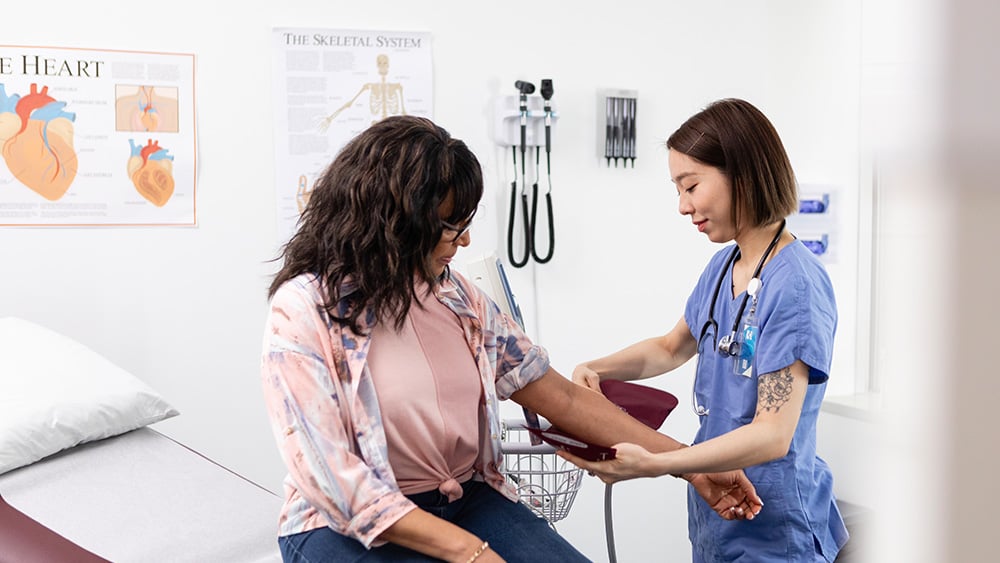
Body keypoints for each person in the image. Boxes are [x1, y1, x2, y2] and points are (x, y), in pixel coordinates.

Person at [260, 114, 762, 562]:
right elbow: (340, 485)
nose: (465, 241)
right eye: (451, 227)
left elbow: (564, 399)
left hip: (467, 501)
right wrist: (472, 552)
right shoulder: (305, 312)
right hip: (343, 525)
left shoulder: (462, 302)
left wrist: (688, 467)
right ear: (396, 223)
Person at [561, 99, 849, 562]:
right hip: (719, 514)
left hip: (774, 527)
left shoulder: (795, 285)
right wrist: (595, 366)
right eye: (678, 189)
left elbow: (773, 434)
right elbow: (670, 348)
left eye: (691, 186)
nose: (682, 206)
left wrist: (659, 463)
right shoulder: (724, 267)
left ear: (743, 174)